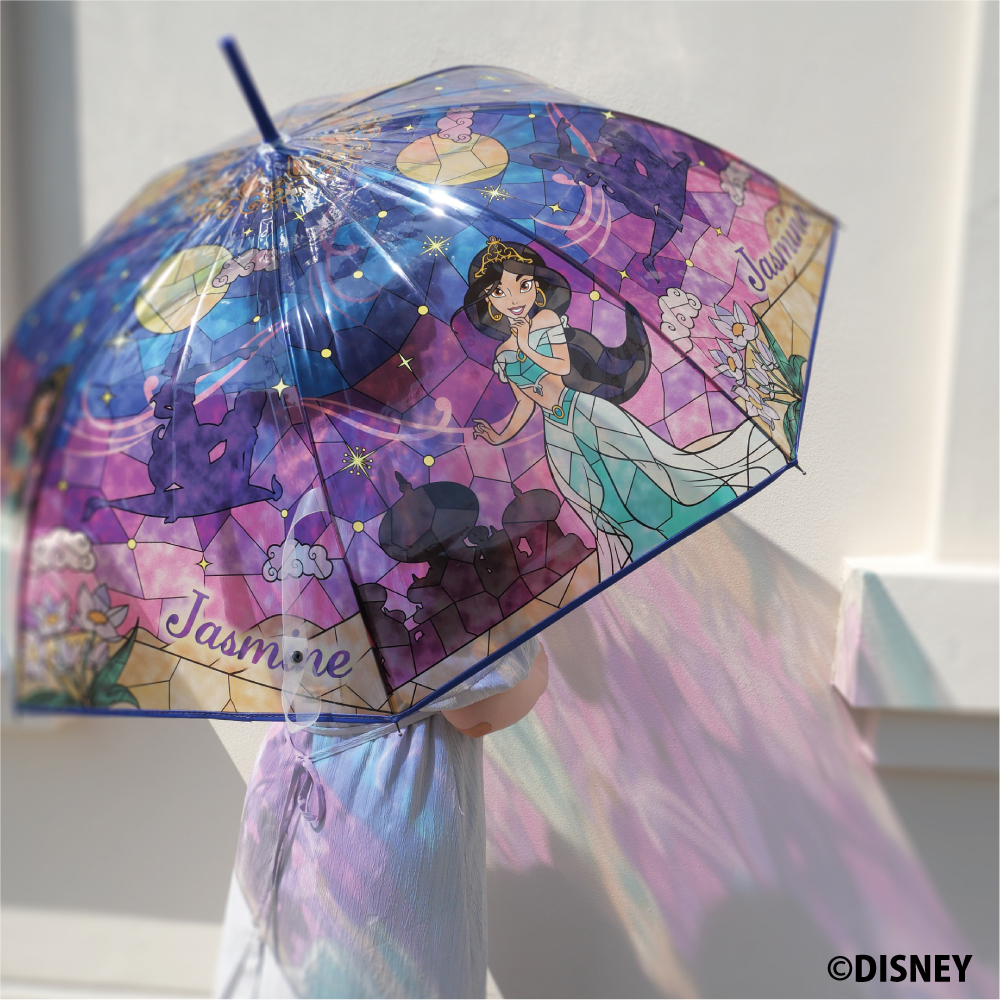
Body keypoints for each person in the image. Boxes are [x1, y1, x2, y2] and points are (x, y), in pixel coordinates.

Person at [214, 636, 549, 999]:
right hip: (387, 800)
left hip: (283, 776)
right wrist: (538, 667)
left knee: (281, 973)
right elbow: (475, 713)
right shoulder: (437, 595)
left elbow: (268, 657)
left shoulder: (283, 594)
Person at [461, 238, 782, 580]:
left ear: (537, 287)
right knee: (592, 495)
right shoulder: (504, 355)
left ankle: (684, 519)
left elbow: (561, 366)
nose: (514, 299)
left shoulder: (546, 321)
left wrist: (527, 344)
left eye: (523, 285)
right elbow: (526, 402)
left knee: (638, 467)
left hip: (584, 411)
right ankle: (642, 544)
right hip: (556, 431)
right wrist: (499, 436)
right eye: (500, 292)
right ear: (489, 301)